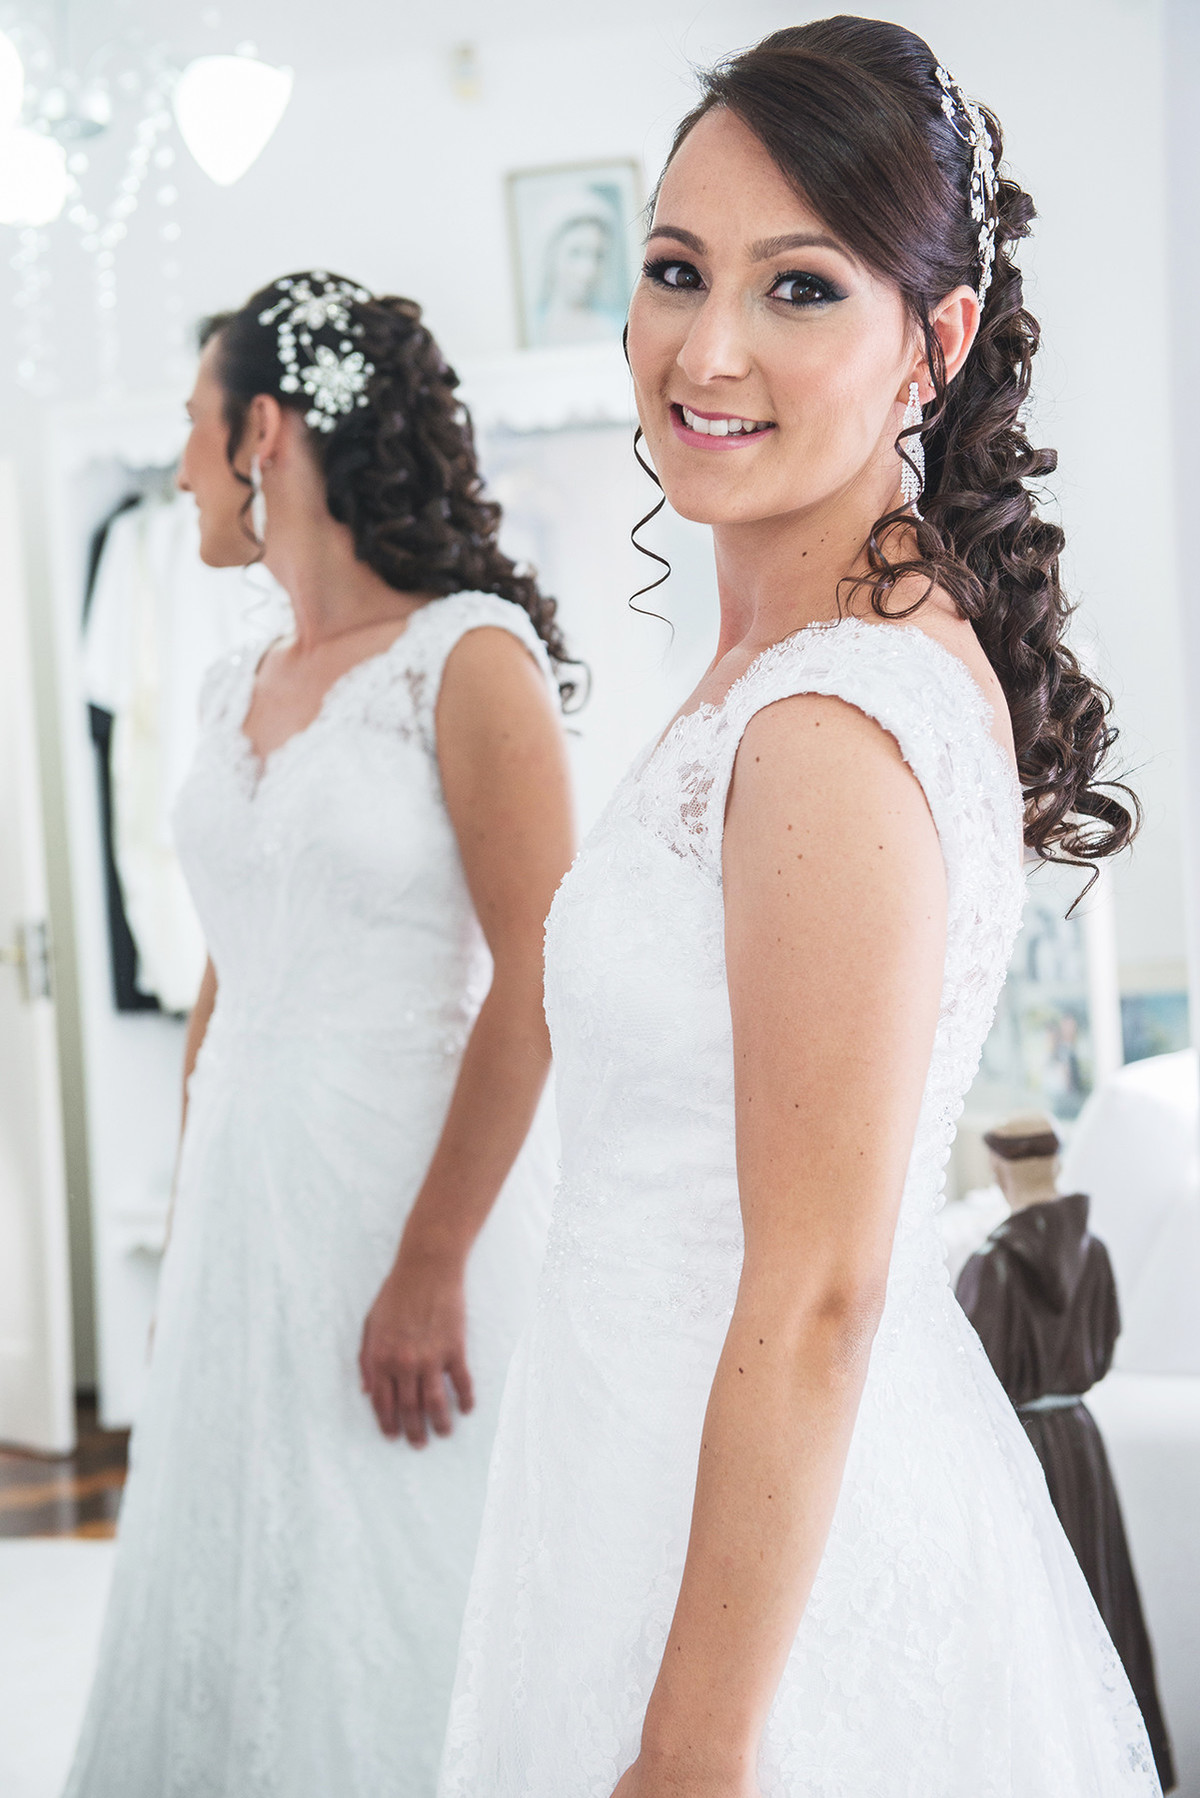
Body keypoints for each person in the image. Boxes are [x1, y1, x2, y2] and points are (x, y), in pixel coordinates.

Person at [438, 21, 1159, 1797]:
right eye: (677, 269)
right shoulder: (804, 653)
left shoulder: (830, 716)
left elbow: (825, 1284)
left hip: (761, 1590)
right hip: (648, 1466)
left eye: (802, 287)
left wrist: (693, 1746)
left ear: (938, 343)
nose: (709, 349)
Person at [65, 272, 575, 1797]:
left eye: (193, 426)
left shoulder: (467, 658)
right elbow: (228, 972)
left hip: (402, 1194)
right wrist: (189, 1218)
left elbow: (541, 977)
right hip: (245, 1205)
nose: (178, 470)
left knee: (396, 1582)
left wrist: (430, 1262)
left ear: (265, 433)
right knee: (230, 1583)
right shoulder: (236, 679)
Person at [958, 1116, 1175, 1790]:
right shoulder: (1096, 1252)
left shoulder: (991, 1264)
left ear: (999, 1169)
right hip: (1079, 1439)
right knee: (1099, 1592)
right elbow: (1103, 1349)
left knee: (1038, 1602)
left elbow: (971, 1373)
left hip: (1018, 1444)